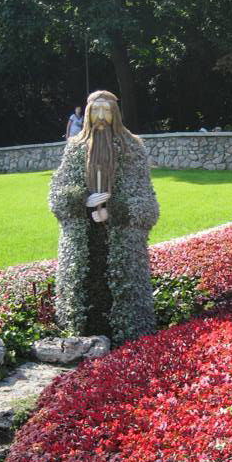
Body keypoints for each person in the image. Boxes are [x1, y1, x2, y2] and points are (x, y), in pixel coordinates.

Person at [49, 90, 159, 344]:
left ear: (115, 114)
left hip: (119, 239)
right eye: (96, 111)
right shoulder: (75, 148)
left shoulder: (132, 147)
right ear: (88, 114)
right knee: (87, 290)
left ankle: (127, 337)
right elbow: (59, 194)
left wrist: (115, 211)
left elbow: (146, 202)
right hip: (86, 238)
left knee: (120, 293)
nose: (100, 116)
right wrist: (81, 201)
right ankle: (82, 335)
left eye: (106, 111)